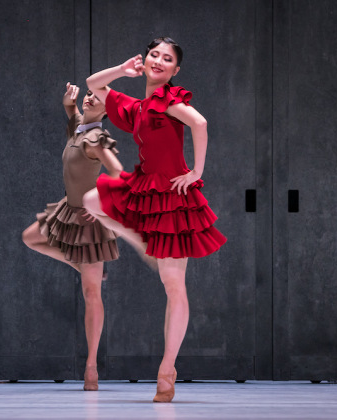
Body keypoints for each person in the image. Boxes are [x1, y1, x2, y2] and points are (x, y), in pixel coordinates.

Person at [84, 37, 227, 402]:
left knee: (173, 284)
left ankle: (167, 369)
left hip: (174, 197)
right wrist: (122, 70)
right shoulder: (137, 107)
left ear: (175, 70)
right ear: (145, 59)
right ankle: (141, 239)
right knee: (90, 199)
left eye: (167, 59)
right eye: (154, 55)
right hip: (144, 189)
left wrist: (196, 171)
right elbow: (93, 85)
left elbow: (201, 122)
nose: (159, 61)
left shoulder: (169, 99)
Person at [22, 82, 122, 391]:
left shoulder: (96, 139)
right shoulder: (80, 126)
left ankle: (91, 366)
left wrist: (102, 205)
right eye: (91, 93)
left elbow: (118, 174)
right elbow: (73, 112)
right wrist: (68, 102)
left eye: (98, 97)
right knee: (31, 237)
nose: (90, 97)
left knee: (92, 295)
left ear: (108, 110)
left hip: (88, 221)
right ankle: (79, 265)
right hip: (68, 209)